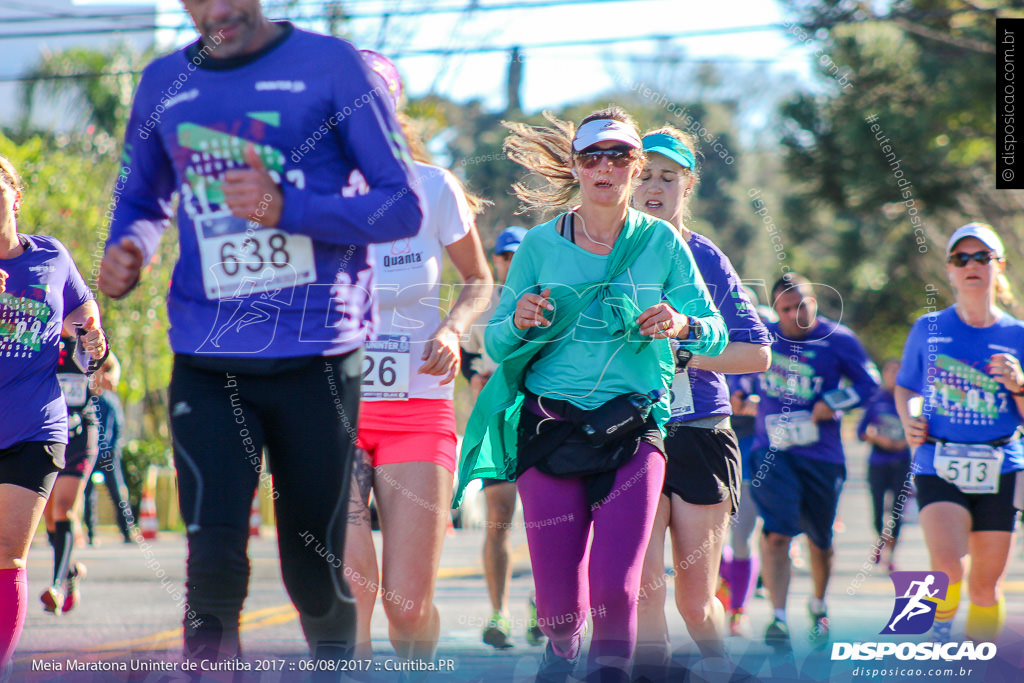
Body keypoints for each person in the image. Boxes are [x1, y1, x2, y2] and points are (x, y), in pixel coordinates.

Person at [97, 0, 422, 666]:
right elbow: (142, 197)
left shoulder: (328, 66)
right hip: (207, 355)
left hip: (320, 356)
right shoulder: (164, 82)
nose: (219, 8)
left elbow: (401, 204)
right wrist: (128, 244)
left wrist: (287, 207)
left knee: (312, 567)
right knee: (212, 561)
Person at [456, 107, 728, 682]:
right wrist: (521, 320)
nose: (605, 166)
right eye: (592, 156)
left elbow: (715, 328)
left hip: (633, 435)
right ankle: (560, 649)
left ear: (635, 167)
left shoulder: (661, 243)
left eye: (620, 156)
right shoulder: (537, 245)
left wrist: (681, 324)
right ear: (577, 167)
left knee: (617, 591)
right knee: (559, 611)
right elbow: (500, 343)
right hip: (549, 432)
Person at [342, 50, 493, 663]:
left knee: (406, 608)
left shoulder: (433, 188)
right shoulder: (308, 194)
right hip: (330, 412)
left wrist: (455, 329)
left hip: (417, 409)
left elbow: (479, 281)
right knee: (350, 598)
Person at [629, 127, 771, 675]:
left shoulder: (705, 257)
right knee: (640, 591)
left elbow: (756, 355)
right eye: (644, 176)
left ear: (688, 186)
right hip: (632, 432)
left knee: (695, 603)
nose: (654, 188)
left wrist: (685, 352)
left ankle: (727, 668)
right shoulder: (607, 253)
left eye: (669, 177)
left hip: (699, 431)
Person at [0, 154, 107, 668]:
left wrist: (92, 338)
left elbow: (87, 333)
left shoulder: (51, 257)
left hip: (33, 425)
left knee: (7, 555)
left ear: (15, 197)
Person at [895, 223, 1024, 644]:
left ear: (998, 267)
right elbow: (907, 386)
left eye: (982, 257)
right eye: (960, 258)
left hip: (1001, 464)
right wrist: (910, 417)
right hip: (938, 459)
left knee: (986, 586)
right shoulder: (928, 328)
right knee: (947, 567)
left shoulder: (1018, 336)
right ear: (949, 270)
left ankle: (978, 659)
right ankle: (932, 631)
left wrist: (1019, 385)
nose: (971, 265)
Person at [750, 273, 879, 652]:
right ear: (776, 311)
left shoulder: (839, 339)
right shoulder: (764, 337)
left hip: (821, 456)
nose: (796, 314)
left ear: (815, 302)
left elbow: (868, 386)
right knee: (777, 532)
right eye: (787, 308)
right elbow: (736, 372)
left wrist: (832, 404)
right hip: (771, 453)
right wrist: (742, 396)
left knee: (820, 540)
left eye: (802, 304)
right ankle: (777, 616)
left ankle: (819, 604)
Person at [459, 225, 544, 650]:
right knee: (499, 517)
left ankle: (543, 605)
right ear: (495, 259)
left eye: (517, 255)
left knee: (546, 519)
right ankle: (499, 613)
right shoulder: (483, 303)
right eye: (504, 256)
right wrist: (475, 376)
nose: (510, 263)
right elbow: (466, 355)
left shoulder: (548, 295)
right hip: (498, 420)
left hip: (542, 419)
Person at [40, 333, 105, 613]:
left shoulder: (85, 333)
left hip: (80, 433)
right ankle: (70, 573)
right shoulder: (41, 333)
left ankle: (56, 585)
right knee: (51, 517)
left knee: (64, 511)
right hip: (44, 433)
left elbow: (109, 360)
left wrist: (106, 373)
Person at [857, 359, 911, 573]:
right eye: (890, 371)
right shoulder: (875, 400)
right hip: (878, 463)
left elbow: (923, 428)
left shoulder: (911, 401)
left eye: (898, 371)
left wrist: (904, 441)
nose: (894, 376)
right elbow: (861, 432)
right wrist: (879, 439)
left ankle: (892, 555)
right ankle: (880, 541)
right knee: (878, 510)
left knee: (897, 511)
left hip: (902, 463)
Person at [83, 354, 136, 546]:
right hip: (88, 453)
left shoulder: (111, 400)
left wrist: (114, 450)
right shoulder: (86, 398)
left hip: (108, 455)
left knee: (118, 493)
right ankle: (90, 533)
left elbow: (118, 428)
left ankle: (128, 532)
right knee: (87, 494)